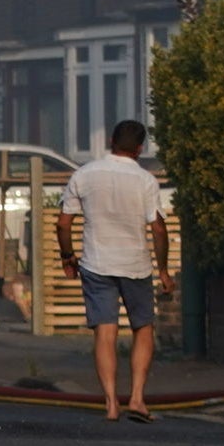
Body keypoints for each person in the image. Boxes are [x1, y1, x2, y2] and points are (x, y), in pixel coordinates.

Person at [57, 120, 168, 424]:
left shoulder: (84, 174)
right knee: (142, 328)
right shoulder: (145, 181)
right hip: (136, 265)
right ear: (140, 148)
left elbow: (63, 223)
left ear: (110, 141)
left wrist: (68, 256)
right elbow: (157, 228)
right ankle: (136, 399)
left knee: (105, 332)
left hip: (96, 264)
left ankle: (110, 404)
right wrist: (164, 270)